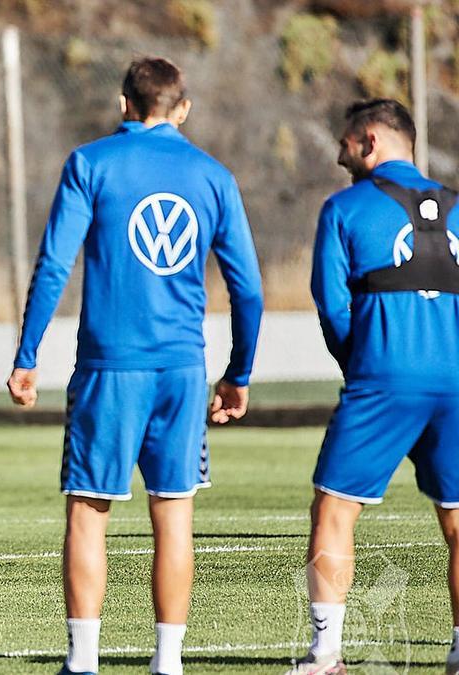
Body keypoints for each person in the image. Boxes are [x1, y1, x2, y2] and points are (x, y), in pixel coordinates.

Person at [7, 57, 263, 675]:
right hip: (181, 370)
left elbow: (52, 266)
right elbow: (248, 290)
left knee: (89, 510)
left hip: (108, 369)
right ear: (182, 109)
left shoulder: (90, 163)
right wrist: (240, 373)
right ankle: (167, 663)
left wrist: (26, 356)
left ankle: (84, 662)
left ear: (125, 104)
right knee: (174, 515)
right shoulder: (213, 175)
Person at [288, 99, 459, 675]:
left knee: (334, 509)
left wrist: (359, 363)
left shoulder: (344, 208)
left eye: (344, 143)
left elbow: (332, 304)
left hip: (384, 376)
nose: (338, 154)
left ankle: (325, 654)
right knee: (458, 521)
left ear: (369, 141)